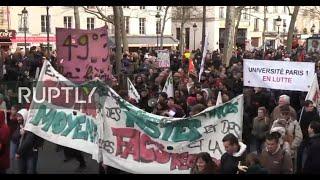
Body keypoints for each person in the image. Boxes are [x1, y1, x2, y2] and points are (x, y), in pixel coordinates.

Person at [271, 104, 302, 172]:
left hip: (290, 153)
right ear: (280, 113)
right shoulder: (275, 122)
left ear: (289, 113)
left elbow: (299, 137)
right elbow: (271, 135)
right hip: (278, 152)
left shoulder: (294, 123)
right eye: (283, 113)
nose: (285, 115)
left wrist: (291, 146)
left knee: (289, 170)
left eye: (286, 113)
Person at [15, 109, 44, 174]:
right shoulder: (20, 125)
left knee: (31, 171)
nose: (18, 118)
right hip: (22, 154)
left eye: (20, 116)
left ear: (24, 116)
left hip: (31, 153)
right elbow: (14, 137)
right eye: (17, 116)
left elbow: (29, 141)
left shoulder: (31, 126)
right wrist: (20, 133)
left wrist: (18, 152)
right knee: (22, 170)